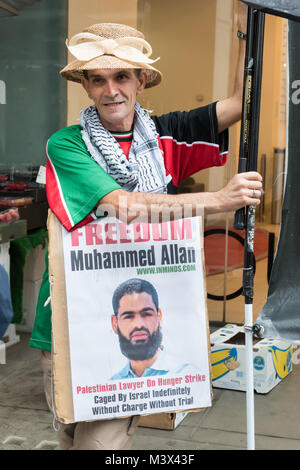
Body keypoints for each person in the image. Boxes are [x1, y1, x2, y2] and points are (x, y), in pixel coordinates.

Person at [29, 2, 263, 450]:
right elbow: (126, 207)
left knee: (101, 445)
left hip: (136, 318)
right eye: (98, 78)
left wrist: (241, 36)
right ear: (85, 85)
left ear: (140, 80)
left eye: (121, 76)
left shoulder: (166, 136)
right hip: (70, 320)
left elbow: (240, 104)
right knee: (73, 441)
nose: (110, 90)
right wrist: (219, 199)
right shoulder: (67, 144)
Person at [110, 278, 198, 380]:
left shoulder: (186, 375)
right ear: (115, 323)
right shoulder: (112, 385)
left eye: (146, 314)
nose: (139, 325)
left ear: (159, 317)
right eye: (128, 316)